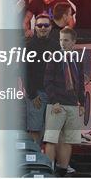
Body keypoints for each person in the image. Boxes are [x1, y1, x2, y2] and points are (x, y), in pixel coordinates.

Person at [43, 27, 85, 177]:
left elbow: (80, 82)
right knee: (51, 138)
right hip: (57, 104)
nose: (62, 43)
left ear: (73, 42)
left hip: (73, 103)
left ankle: (62, 169)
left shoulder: (77, 59)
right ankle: (48, 170)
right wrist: (54, 101)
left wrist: (82, 102)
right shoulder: (54, 57)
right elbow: (47, 82)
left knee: (69, 139)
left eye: (66, 40)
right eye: (60, 40)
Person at [25, 14, 59, 144]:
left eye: (46, 25)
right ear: (35, 27)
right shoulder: (28, 46)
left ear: (50, 27)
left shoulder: (56, 46)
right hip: (36, 93)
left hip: (53, 95)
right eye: (40, 25)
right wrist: (33, 94)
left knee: (52, 130)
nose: (43, 28)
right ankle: (36, 159)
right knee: (34, 128)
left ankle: (48, 161)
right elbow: (25, 72)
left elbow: (60, 71)